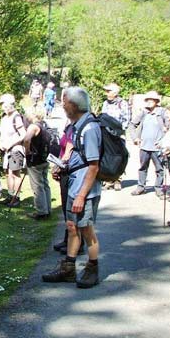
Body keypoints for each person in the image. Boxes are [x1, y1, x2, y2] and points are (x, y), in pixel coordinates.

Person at [42, 86, 102, 288]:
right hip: (76, 185)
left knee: (86, 230)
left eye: (64, 101)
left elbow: (93, 166)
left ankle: (92, 270)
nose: (63, 105)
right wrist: (63, 167)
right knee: (72, 226)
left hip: (84, 190)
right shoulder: (77, 125)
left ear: (74, 105)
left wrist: (81, 196)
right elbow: (79, 158)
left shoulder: (89, 129)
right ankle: (68, 268)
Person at [130, 90, 170, 197]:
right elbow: (132, 125)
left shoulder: (162, 112)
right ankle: (141, 187)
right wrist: (135, 138)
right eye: (147, 100)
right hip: (144, 146)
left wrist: (164, 141)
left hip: (158, 147)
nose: (149, 102)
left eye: (151, 100)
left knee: (160, 169)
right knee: (143, 167)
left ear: (156, 101)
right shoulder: (143, 112)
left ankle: (158, 188)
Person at [0, 94, 26, 207]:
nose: (1, 106)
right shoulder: (4, 117)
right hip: (7, 150)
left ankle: (16, 197)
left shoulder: (16, 117)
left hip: (15, 149)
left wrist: (10, 144)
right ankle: (10, 196)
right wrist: (1, 143)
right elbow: (2, 133)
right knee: (8, 173)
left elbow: (23, 134)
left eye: (2, 104)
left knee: (15, 173)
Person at [100, 83, 130, 191]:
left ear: (115, 92)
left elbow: (126, 119)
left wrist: (118, 131)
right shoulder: (105, 103)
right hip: (107, 135)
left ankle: (118, 179)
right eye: (106, 91)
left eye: (109, 91)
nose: (106, 93)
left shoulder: (123, 103)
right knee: (108, 156)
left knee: (119, 157)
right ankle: (108, 179)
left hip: (118, 135)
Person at [23, 110, 52, 220]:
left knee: (37, 186)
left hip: (35, 160)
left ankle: (41, 212)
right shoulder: (44, 125)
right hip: (44, 158)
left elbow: (26, 139)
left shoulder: (33, 127)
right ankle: (48, 209)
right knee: (45, 184)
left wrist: (27, 151)